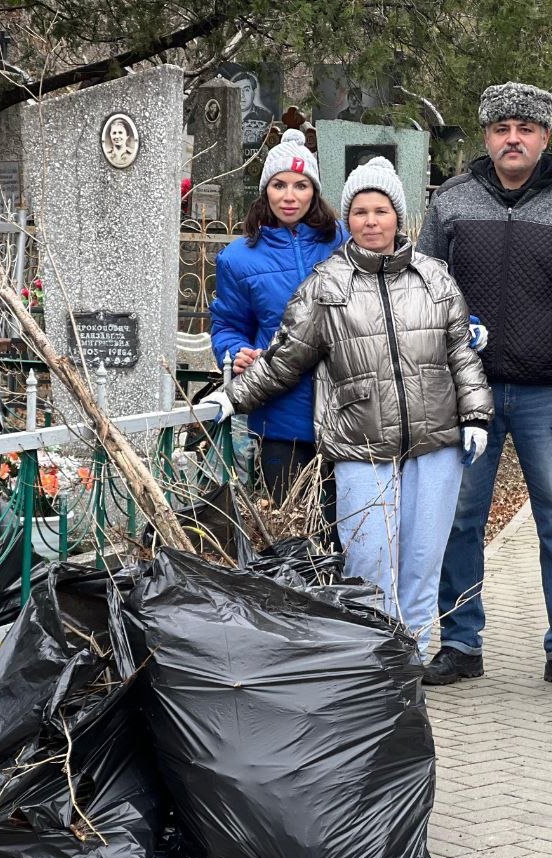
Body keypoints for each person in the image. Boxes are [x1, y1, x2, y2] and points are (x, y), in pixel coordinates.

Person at [209, 159, 494, 656]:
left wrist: (475, 415)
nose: (370, 222)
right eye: (359, 211)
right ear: (348, 218)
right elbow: (284, 359)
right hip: (362, 442)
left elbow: (459, 354)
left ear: (398, 217)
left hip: (436, 441)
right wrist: (228, 398)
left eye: (381, 211)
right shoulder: (326, 284)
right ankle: (377, 661)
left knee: (422, 558)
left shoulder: (434, 278)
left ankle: (417, 656)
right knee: (368, 560)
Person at [416, 81, 552, 693]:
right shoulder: (450, 204)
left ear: (545, 137)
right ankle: (459, 641)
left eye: (525, 129)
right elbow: (423, 298)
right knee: (460, 518)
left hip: (546, 395)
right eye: (502, 128)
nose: (513, 138)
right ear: (486, 136)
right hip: (466, 393)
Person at [210, 129, 346, 510]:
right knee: (293, 533)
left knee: (345, 531)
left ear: (314, 191)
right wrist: (235, 352)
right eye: (280, 184)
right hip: (281, 413)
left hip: (345, 408)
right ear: (265, 190)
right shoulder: (239, 258)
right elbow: (228, 326)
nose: (290, 196)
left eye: (301, 185)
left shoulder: (342, 243)